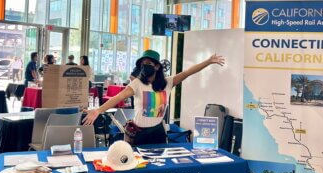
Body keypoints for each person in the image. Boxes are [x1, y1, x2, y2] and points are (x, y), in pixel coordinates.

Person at [83, 49, 224, 145]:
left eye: (149, 64)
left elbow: (187, 72)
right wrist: (98, 110)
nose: (145, 67)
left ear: (157, 66)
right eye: (143, 65)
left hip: (158, 131)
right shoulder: (137, 83)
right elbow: (118, 97)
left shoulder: (168, 82)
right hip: (137, 133)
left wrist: (208, 61)